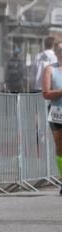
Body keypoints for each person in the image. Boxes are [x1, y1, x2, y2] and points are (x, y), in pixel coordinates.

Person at [41, 41, 62, 193]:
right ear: (56, 53)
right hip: (57, 112)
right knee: (60, 148)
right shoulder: (50, 69)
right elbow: (46, 94)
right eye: (60, 50)